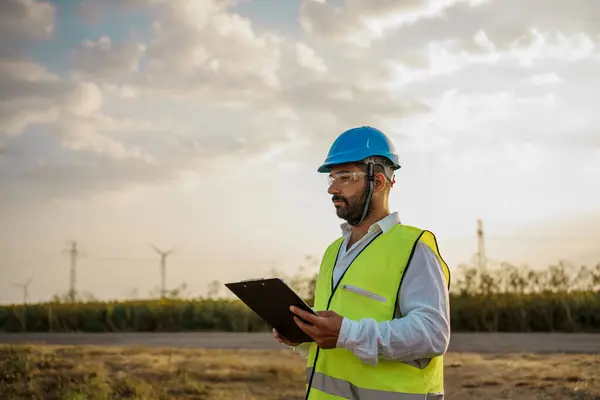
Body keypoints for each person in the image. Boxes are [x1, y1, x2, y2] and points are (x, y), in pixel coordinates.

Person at [273, 126, 452, 399]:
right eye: (332, 178)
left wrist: (347, 332)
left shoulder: (414, 248)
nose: (332, 188)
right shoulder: (333, 251)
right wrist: (305, 336)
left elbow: (432, 334)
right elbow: (338, 335)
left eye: (345, 177)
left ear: (378, 182)